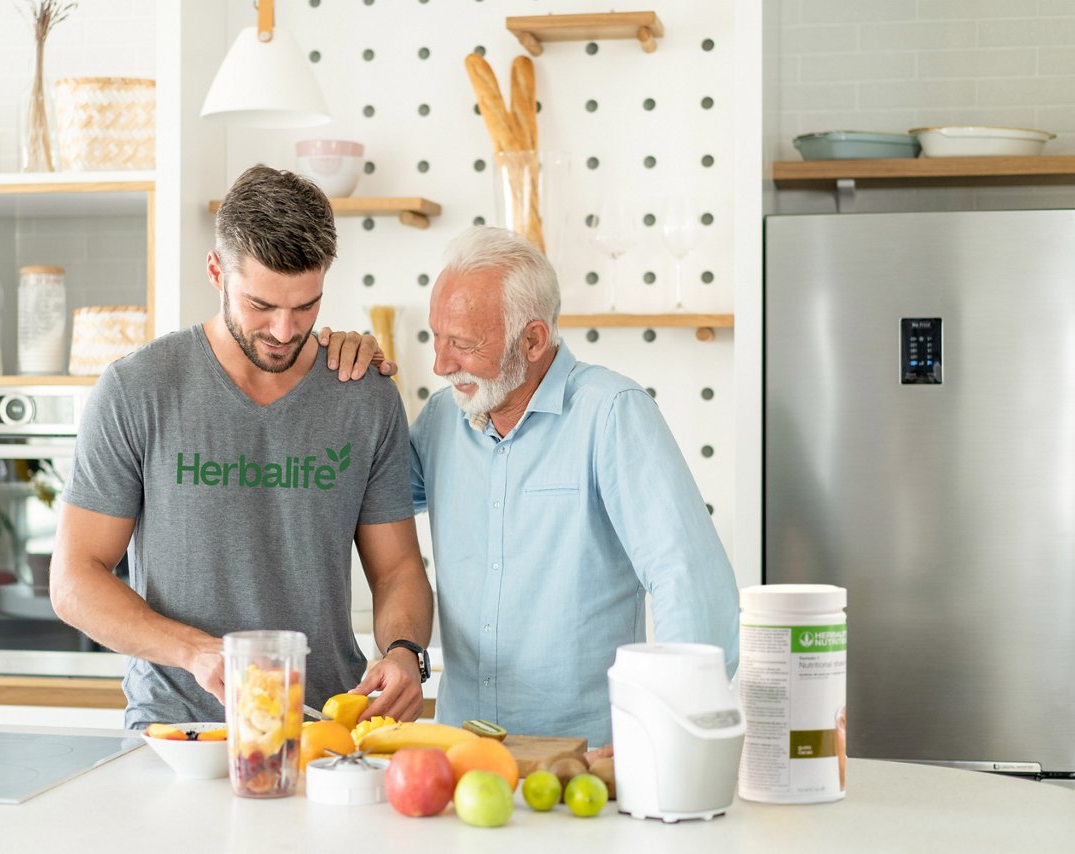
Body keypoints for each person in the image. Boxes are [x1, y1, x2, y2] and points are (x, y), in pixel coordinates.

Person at [50, 165, 433, 729]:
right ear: (216, 272)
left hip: (321, 729)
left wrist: (405, 651)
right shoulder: (138, 389)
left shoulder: (363, 395)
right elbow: (74, 580)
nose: (283, 329)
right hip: (179, 730)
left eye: (306, 307)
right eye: (261, 305)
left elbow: (398, 567)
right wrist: (196, 652)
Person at [324, 226, 739, 746]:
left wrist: (672, 732)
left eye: (464, 344)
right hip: (462, 754)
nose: (440, 364)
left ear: (534, 339)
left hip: (585, 757)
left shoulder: (610, 413)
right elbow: (351, 499)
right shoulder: (440, 422)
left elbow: (688, 579)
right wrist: (335, 384)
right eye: (437, 337)